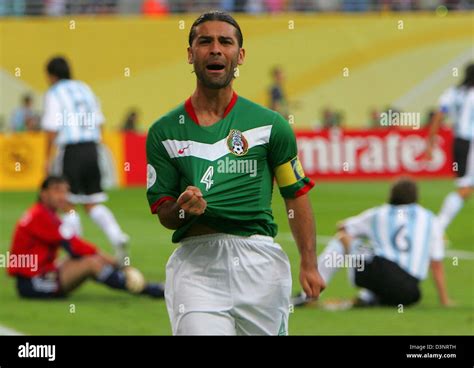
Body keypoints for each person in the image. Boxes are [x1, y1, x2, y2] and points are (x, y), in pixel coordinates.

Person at [146, 11, 325, 335]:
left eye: (225, 42)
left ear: (239, 55)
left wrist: (309, 263)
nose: (215, 49)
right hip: (196, 268)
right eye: (205, 41)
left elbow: (295, 195)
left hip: (259, 264)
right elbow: (166, 214)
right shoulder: (164, 131)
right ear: (190, 54)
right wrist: (184, 212)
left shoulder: (272, 126)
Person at [293, 178, 451, 308]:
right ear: (416, 197)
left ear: (392, 195)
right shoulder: (430, 219)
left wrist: (366, 239)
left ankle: (309, 294)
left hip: (378, 271)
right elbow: (436, 264)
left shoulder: (379, 214)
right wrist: (444, 300)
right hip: (410, 291)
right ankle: (369, 298)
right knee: (378, 261)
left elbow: (342, 226)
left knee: (343, 238)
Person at [7, 176, 164, 299]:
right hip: (33, 283)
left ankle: (128, 280)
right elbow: (74, 247)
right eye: (56, 190)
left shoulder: (41, 213)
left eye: (64, 191)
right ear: (43, 193)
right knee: (90, 263)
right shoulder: (41, 216)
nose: (62, 196)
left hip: (37, 276)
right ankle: (144, 288)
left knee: (86, 260)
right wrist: (111, 261)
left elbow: (74, 248)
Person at [41, 56, 129, 265]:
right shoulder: (84, 88)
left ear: (52, 76)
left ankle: (74, 251)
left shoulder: (54, 93)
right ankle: (118, 236)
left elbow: (52, 127)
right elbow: (99, 122)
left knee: (67, 202)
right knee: (92, 202)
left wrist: (47, 157)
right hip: (92, 148)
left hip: (71, 150)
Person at [425, 63, 474, 235]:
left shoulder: (452, 93)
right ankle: (437, 229)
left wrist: (430, 143)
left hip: (459, 142)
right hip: (471, 143)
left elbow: (439, 116)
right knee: (465, 188)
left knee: (466, 187)